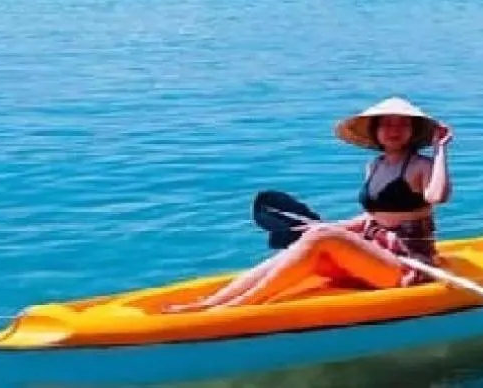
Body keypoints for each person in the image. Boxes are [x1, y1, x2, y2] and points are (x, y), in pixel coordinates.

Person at [166, 97, 454, 312]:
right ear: (376, 131)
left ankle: (236, 308)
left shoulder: (420, 165)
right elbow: (374, 218)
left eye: (403, 124)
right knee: (313, 236)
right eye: (387, 124)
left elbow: (437, 196)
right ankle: (213, 302)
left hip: (410, 265)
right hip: (378, 254)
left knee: (322, 237)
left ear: (413, 131)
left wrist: (440, 150)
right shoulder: (375, 166)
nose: (395, 130)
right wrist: (329, 227)